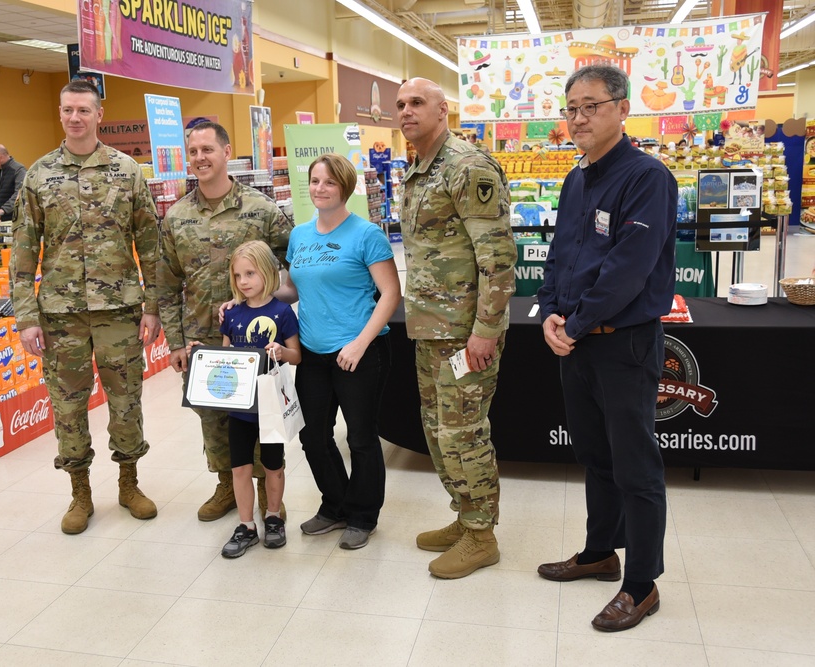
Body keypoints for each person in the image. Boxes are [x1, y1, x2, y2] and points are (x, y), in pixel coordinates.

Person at [536, 64, 677, 632]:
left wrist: (576, 322)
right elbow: (559, 255)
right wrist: (548, 310)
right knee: (594, 456)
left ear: (622, 109)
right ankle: (600, 552)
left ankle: (641, 585)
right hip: (579, 345)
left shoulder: (647, 178)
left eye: (590, 106)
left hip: (624, 345)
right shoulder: (577, 179)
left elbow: (628, 270)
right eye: (571, 108)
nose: (578, 118)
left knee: (635, 467)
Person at [10, 79, 160, 535]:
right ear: (61, 114)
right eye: (67, 110)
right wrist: (25, 318)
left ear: (99, 116)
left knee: (126, 402)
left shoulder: (126, 171)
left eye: (83, 110)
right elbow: (22, 251)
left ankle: (129, 484)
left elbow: (151, 245)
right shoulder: (38, 175)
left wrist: (152, 307)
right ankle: (79, 493)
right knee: (68, 406)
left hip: (119, 312)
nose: (74, 117)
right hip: (60, 316)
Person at [396, 77, 516, 578]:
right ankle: (466, 519)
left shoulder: (466, 167)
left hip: (465, 331)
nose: (406, 111)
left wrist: (485, 330)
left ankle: (482, 535)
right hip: (429, 329)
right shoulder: (419, 170)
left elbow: (499, 258)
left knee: (463, 434)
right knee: (438, 433)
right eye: (400, 104)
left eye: (417, 102)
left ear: (443, 110)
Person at [158, 121, 293, 522]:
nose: (200, 158)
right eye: (193, 152)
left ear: (226, 151)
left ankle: (268, 495)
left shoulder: (260, 209)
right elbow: (166, 284)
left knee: (260, 413)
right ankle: (226, 486)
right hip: (203, 340)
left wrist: (275, 306)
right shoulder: (177, 216)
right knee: (215, 417)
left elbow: (294, 264)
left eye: (208, 150)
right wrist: (176, 342)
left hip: (255, 339)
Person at [284, 153, 400, 550]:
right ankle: (335, 506)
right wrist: (252, 294)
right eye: (315, 181)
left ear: (345, 187)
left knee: (362, 439)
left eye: (329, 182)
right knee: (313, 436)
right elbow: (296, 289)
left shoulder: (366, 234)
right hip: (313, 351)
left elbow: (390, 294)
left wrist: (360, 342)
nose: (320, 188)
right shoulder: (300, 235)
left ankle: (363, 516)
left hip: (360, 349)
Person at [208, 240, 301, 558]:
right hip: (240, 408)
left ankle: (273, 517)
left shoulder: (282, 312)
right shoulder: (231, 314)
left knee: (273, 466)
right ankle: (246, 524)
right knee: (240, 468)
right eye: (237, 275)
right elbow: (223, 357)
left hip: (272, 405)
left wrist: (281, 351)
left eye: (250, 273)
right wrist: (205, 357)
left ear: (267, 273)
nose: (243, 281)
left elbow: (297, 356)